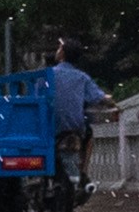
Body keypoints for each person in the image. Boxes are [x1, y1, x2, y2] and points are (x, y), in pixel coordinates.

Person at [46, 38, 111, 194]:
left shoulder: (47, 76)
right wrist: (113, 103)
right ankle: (83, 172)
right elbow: (99, 97)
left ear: (62, 54)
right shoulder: (82, 78)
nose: (57, 50)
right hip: (75, 129)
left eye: (59, 48)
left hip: (48, 129)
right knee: (89, 135)